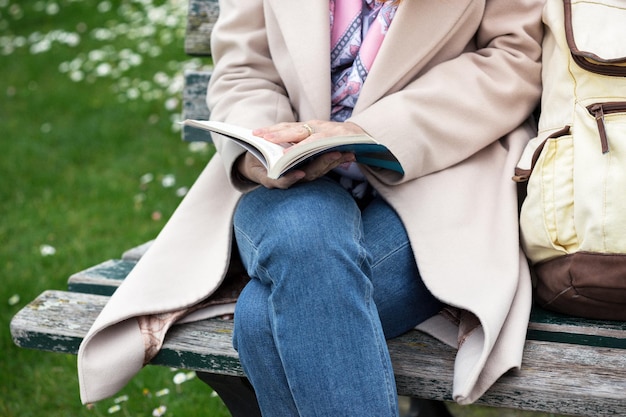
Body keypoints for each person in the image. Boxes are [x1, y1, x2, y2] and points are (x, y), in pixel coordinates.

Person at [77, 0, 544, 415]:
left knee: (263, 320)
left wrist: (375, 131)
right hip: (290, 188)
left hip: (436, 183)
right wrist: (263, 145)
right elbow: (244, 70)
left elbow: (513, 60)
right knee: (304, 235)